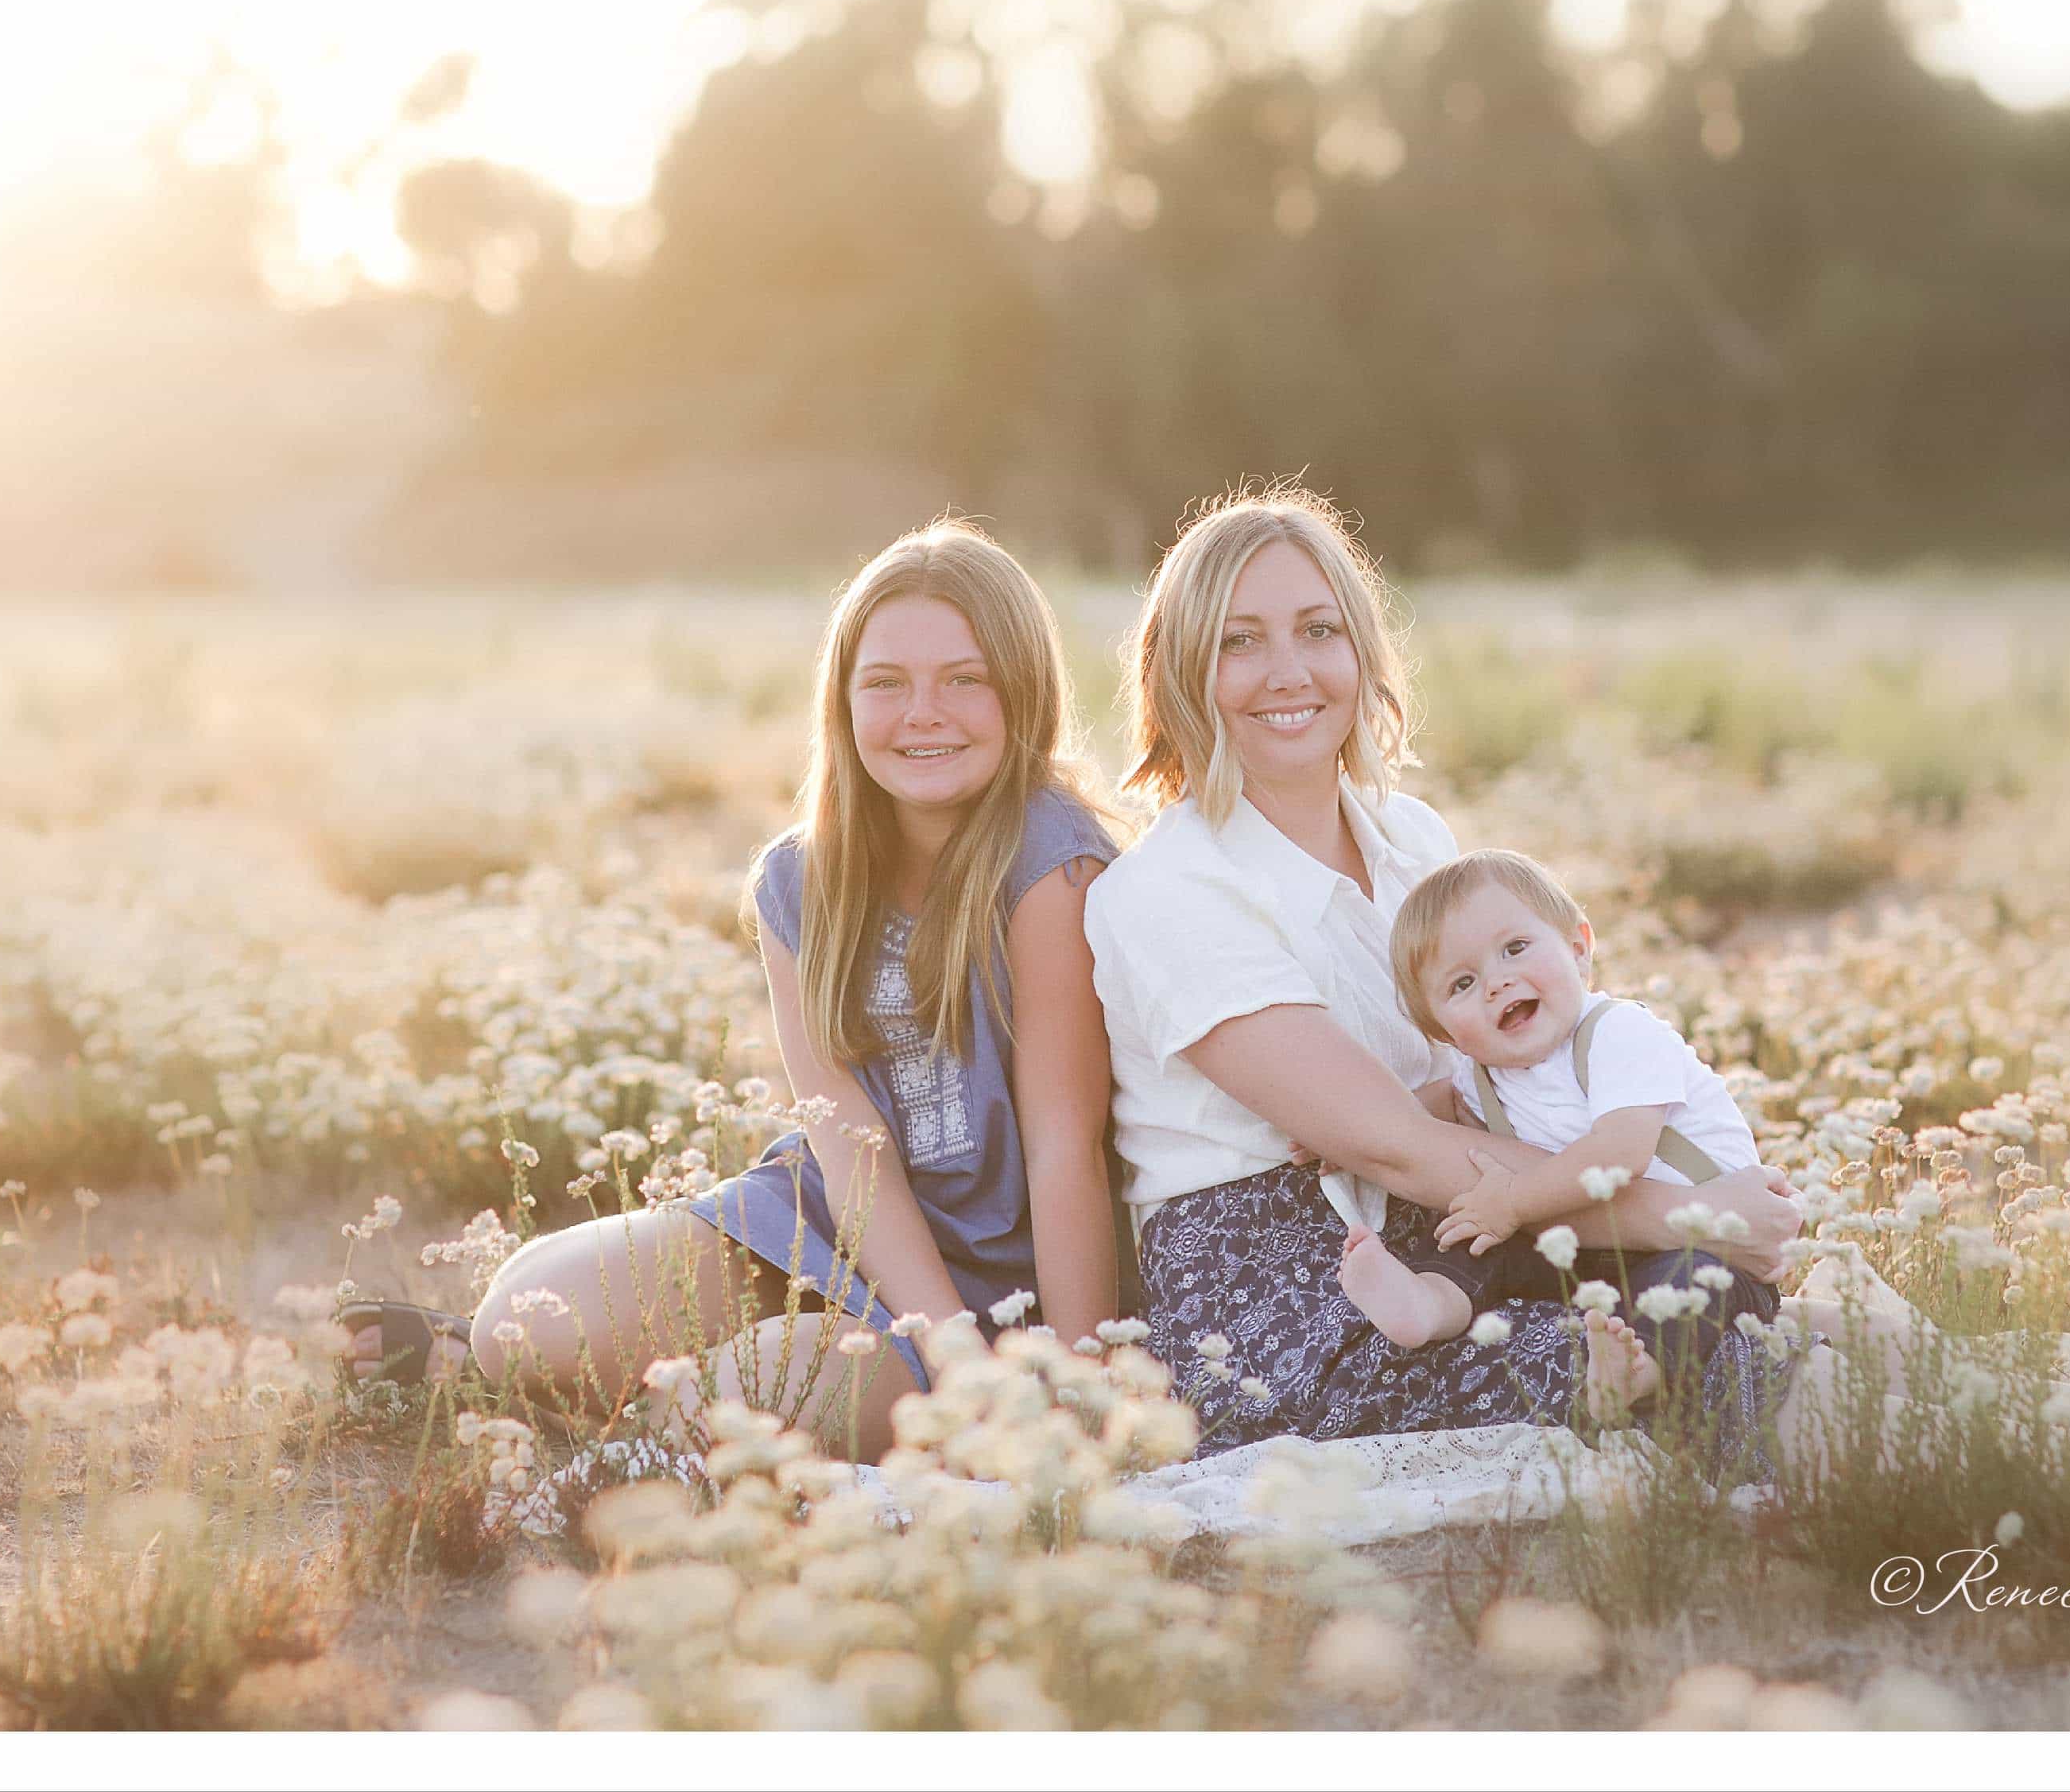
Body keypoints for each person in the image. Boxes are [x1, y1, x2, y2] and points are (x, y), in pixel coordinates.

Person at [340, 520, 1121, 1456]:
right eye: (886, 683)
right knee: (528, 1317)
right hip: (837, 1224)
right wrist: (938, 1343)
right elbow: (845, 1143)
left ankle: (660, 1422)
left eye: (965, 679)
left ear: (1023, 693)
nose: (924, 712)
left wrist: (1073, 1382)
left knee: (740, 1398)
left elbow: (1063, 1145)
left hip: (1014, 1275)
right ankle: (498, 1367)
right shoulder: (798, 881)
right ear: (840, 701)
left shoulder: (1050, 864)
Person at [1082, 481, 1804, 1459]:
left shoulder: (1412, 842)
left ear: (1362, 654)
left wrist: (1692, 1226)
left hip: (1465, 1221)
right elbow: (1389, 1147)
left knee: (1719, 1314)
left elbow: (1488, 1076)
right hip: (1281, 1276)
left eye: (1318, 631)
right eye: (1236, 642)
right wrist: (1693, 1212)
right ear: (1176, 672)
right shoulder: (1166, 891)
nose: (1287, 672)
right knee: (1658, 1350)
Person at [1323, 849, 1770, 1414]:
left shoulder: (1619, 1033)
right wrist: (1342, 1132)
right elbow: (1419, 1111)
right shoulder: (1477, 1073)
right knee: (1476, 1234)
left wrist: (1510, 1201)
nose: (1496, 982)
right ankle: (1428, 1302)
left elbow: (1619, 1155)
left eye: (1515, 948)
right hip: (1593, 1246)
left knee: (1690, 1283)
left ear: (1579, 947)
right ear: (1445, 1033)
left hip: (1711, 1242)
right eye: (1462, 983)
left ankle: (1635, 1371)